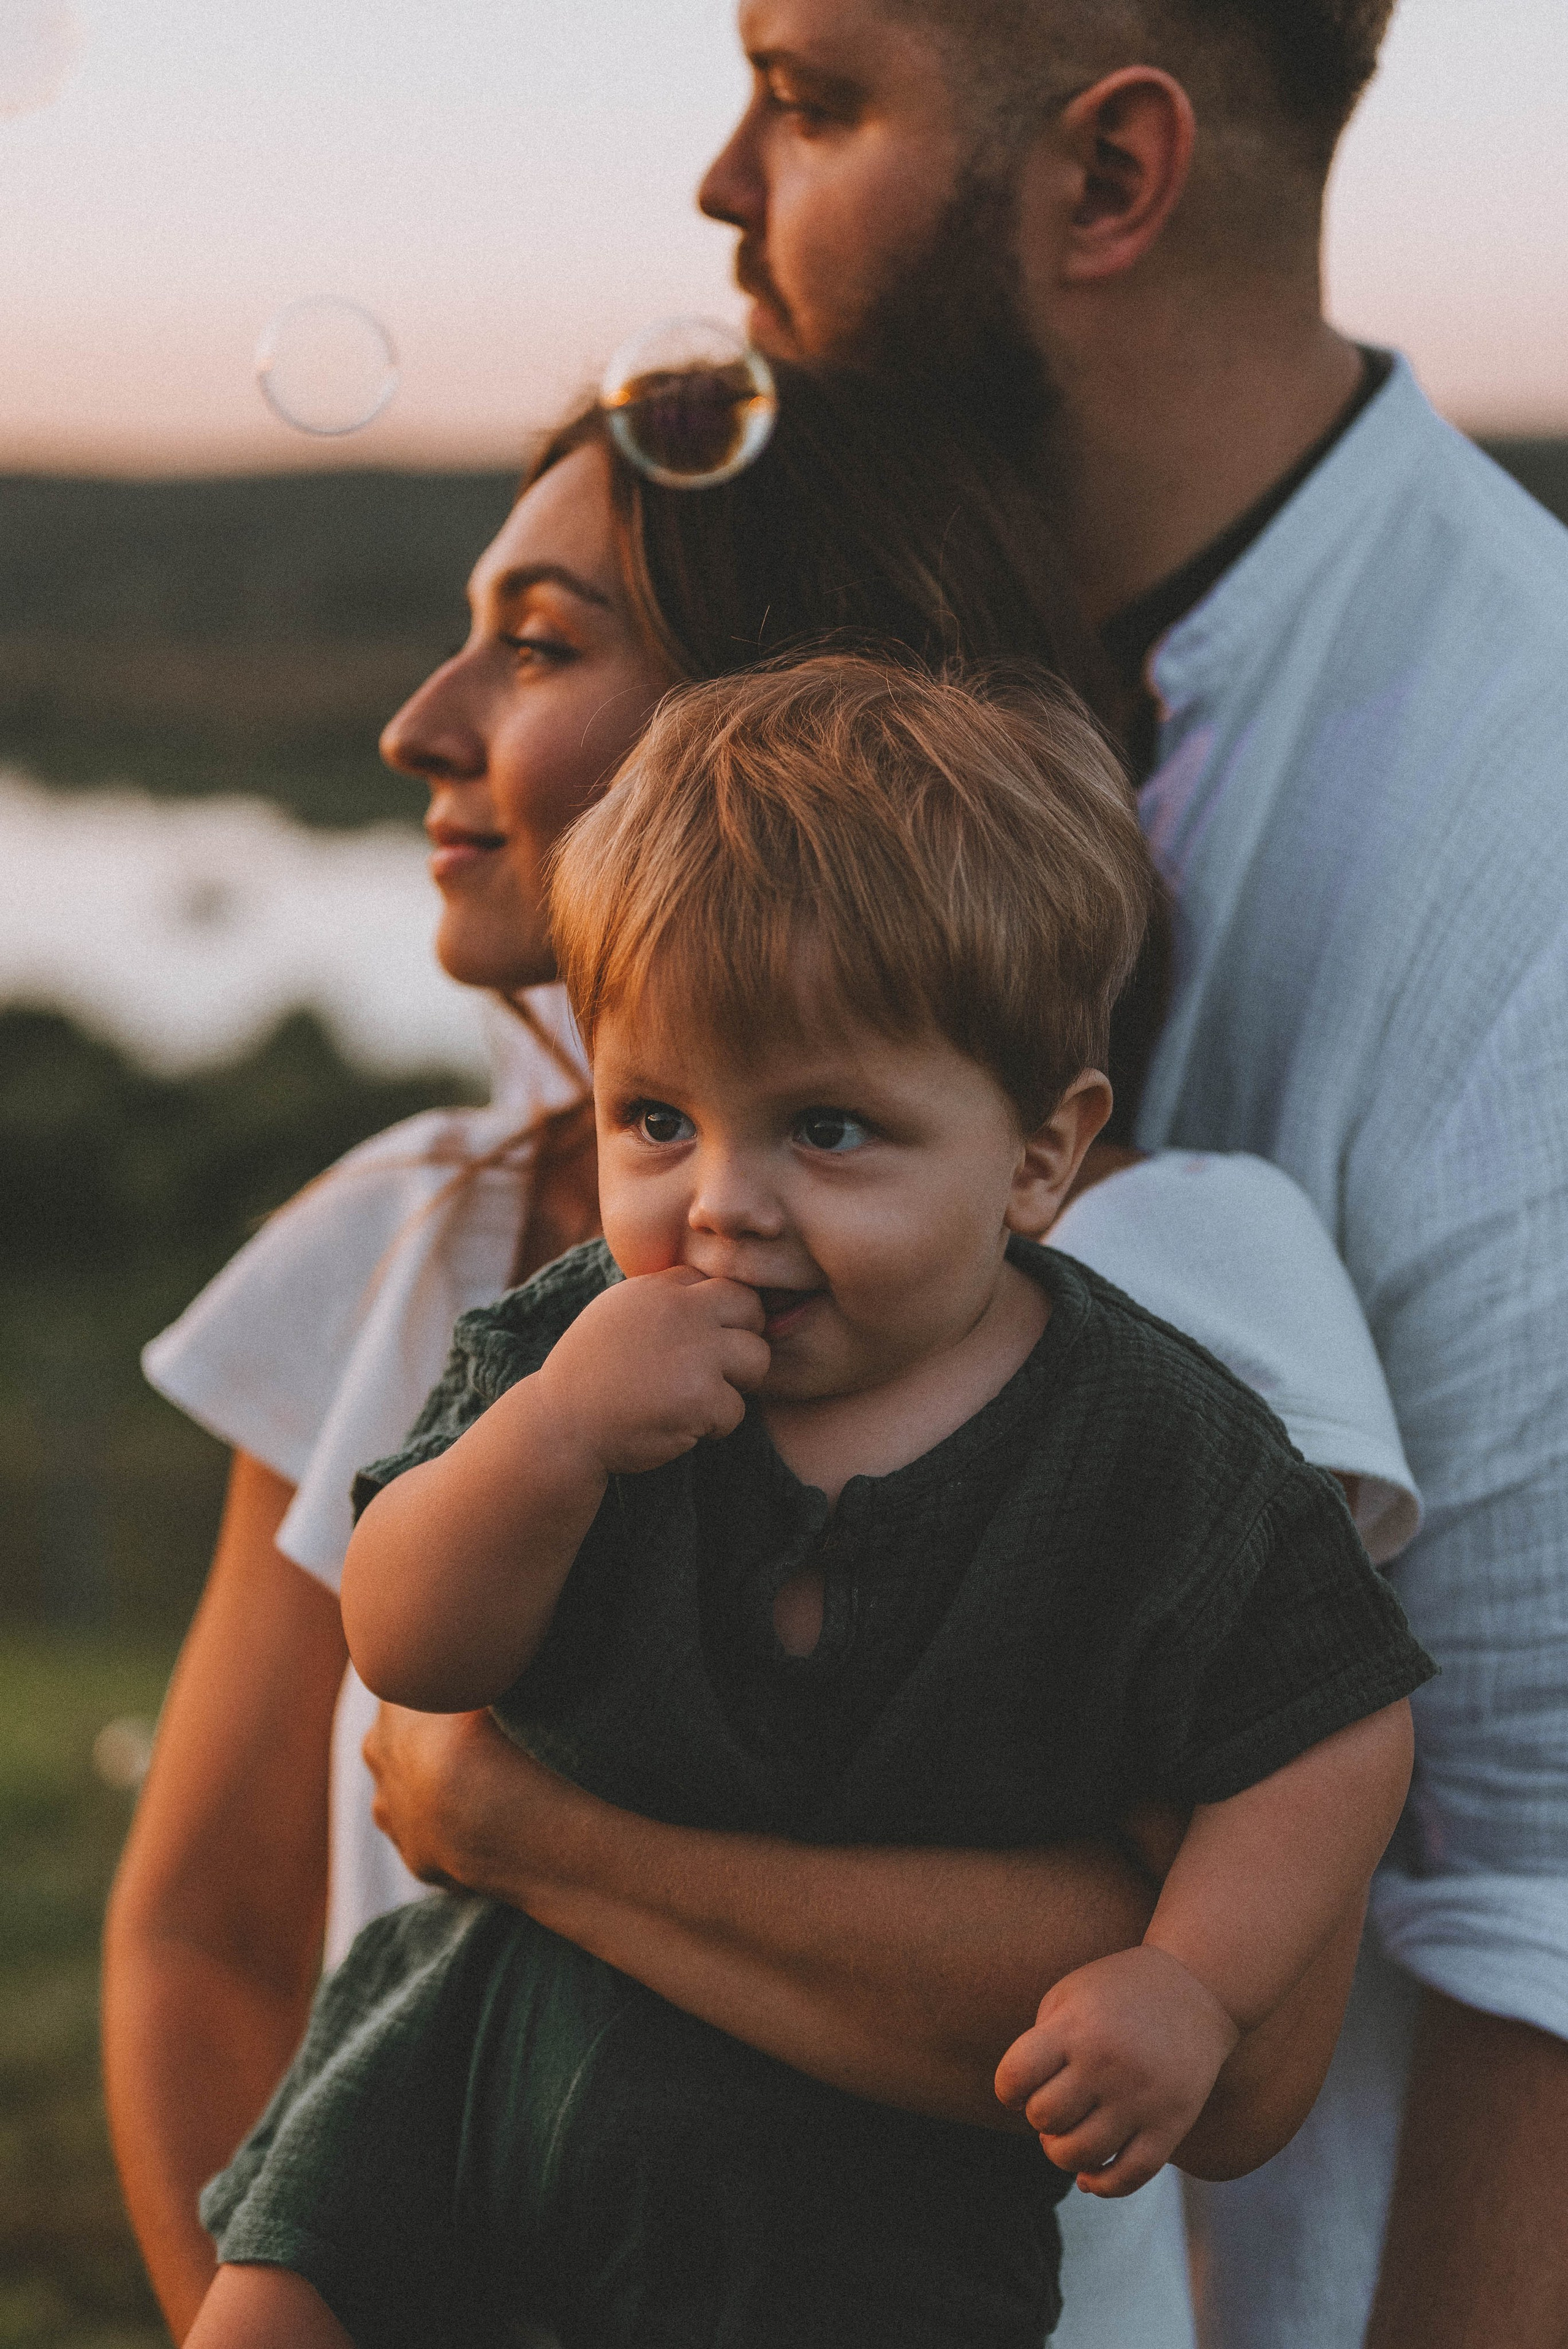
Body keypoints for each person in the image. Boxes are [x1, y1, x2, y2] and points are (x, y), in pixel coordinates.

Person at [105, 366, 1418, 2346]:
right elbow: (205, 1927)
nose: (418, 720)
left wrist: (533, 1831)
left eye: (538, 647)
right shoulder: (437, 1253)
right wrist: (548, 1442)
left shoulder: (1165, 1319)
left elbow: (1240, 2016)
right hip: (450, 2154)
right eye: (658, 1123)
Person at [692, 4, 1568, 2343]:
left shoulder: (1527, 822)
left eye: (808, 98)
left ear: (1112, 179)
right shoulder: (866, 719)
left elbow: (1549, 1923)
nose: (718, 186)